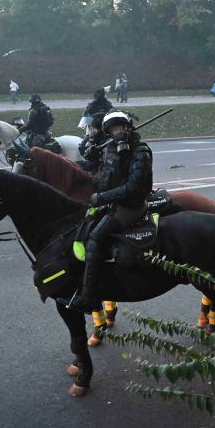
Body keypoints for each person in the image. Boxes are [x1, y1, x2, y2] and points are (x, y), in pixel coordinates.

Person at [69, 110, 153, 313]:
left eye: (120, 127)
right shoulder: (111, 148)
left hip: (130, 206)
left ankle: (88, 298)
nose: (117, 132)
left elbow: (133, 187)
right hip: (112, 202)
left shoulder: (140, 151)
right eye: (113, 129)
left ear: (128, 127)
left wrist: (102, 198)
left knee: (96, 237)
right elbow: (100, 169)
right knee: (82, 227)